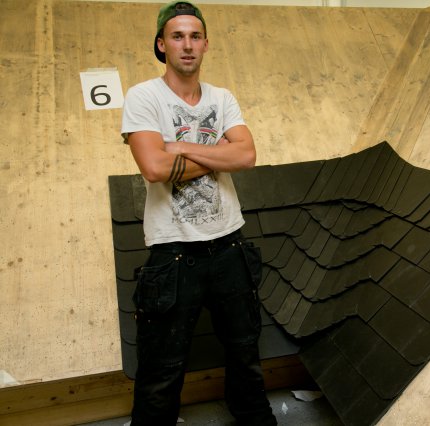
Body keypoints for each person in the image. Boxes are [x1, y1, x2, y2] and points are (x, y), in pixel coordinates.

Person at [120, 2, 277, 425]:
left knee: (245, 354)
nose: (187, 45)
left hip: (230, 245)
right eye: (177, 36)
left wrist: (180, 146)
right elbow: (154, 168)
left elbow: (247, 156)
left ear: (205, 44)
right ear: (162, 44)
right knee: (162, 370)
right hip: (173, 252)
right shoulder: (143, 97)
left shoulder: (222, 98)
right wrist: (219, 152)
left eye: (194, 36)